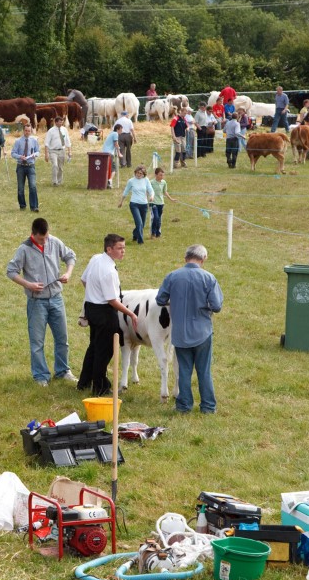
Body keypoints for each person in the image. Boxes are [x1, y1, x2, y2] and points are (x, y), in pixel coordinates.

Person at [6, 217, 77, 386]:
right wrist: (28, 284)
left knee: (62, 338)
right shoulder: (24, 249)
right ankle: (40, 375)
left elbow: (70, 256)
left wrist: (68, 273)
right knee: (37, 342)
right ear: (33, 234)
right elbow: (11, 271)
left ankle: (63, 371)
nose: (44, 241)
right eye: (40, 239)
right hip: (36, 302)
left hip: (56, 298)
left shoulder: (55, 242)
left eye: (46, 238)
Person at [156, 244, 223, 414]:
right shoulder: (209, 278)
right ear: (203, 259)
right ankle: (208, 406)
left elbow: (160, 299)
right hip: (202, 331)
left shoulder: (172, 276)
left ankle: (184, 405)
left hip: (180, 332)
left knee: (184, 370)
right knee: (204, 371)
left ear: (186, 258)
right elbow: (217, 306)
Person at [77, 234, 140, 397]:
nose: (123, 251)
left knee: (93, 346)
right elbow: (112, 300)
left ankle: (84, 382)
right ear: (109, 249)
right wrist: (131, 314)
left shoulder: (95, 259)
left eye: (124, 248)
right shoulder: (109, 271)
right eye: (119, 248)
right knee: (104, 351)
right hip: (104, 312)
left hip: (91, 308)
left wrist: (93, 293)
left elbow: (84, 280)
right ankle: (100, 387)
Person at [118, 165, 153, 244]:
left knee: (142, 225)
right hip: (134, 204)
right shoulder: (131, 181)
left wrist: (152, 196)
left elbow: (151, 190)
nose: (139, 175)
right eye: (137, 173)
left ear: (143, 174)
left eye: (141, 173)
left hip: (144, 205)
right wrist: (121, 202)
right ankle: (140, 241)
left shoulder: (146, 180)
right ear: (135, 172)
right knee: (139, 223)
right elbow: (126, 191)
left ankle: (135, 234)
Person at [11, 125, 41, 211]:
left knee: (33, 186)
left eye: (29, 131)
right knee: (20, 188)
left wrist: (35, 155)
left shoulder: (34, 141)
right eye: (26, 130)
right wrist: (20, 156)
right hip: (21, 166)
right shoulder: (18, 141)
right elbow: (13, 153)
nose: (27, 132)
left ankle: (34, 207)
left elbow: (38, 151)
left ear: (31, 131)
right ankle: (22, 205)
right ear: (23, 131)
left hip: (30, 166)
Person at [43, 121, 71, 186]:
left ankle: (59, 181)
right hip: (53, 151)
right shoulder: (51, 131)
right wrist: (46, 154)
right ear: (56, 122)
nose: (61, 123)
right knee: (55, 165)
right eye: (59, 122)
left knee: (60, 167)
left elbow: (68, 141)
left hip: (62, 150)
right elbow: (46, 143)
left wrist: (69, 151)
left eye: (61, 122)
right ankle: (54, 181)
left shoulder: (64, 130)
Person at [149, 167, 167, 238]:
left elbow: (165, 192)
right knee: (155, 217)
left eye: (163, 175)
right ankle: (153, 233)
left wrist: (171, 199)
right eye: (160, 175)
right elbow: (148, 191)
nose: (162, 176)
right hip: (153, 203)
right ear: (156, 175)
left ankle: (158, 233)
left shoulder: (164, 182)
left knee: (159, 219)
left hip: (161, 203)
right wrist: (149, 197)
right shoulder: (151, 182)